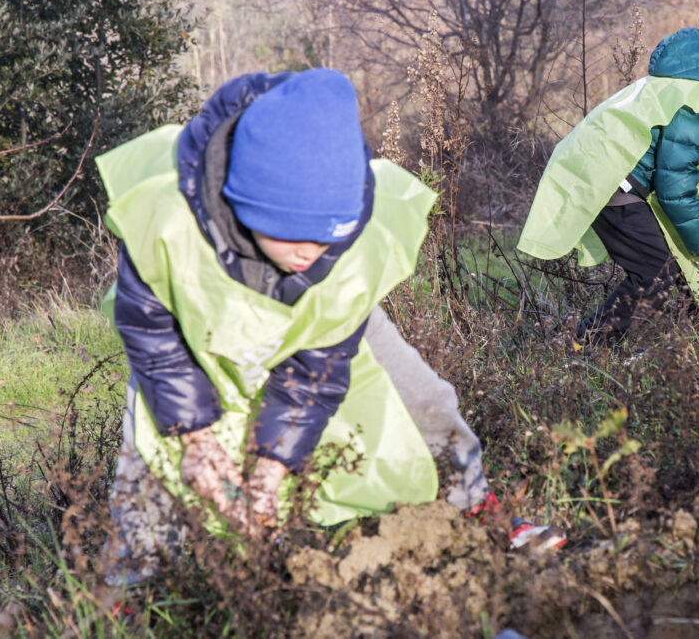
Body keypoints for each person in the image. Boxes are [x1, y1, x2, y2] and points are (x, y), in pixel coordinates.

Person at [98, 69, 563, 585]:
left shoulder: (349, 246)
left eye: (328, 242)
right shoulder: (168, 220)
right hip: (189, 335)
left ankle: (476, 505)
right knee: (150, 454)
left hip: (321, 321)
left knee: (425, 400)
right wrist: (197, 438)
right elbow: (154, 341)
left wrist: (273, 467)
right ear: (242, 201)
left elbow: (315, 371)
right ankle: (129, 585)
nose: (310, 254)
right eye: (294, 237)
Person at [517, 0, 699, 346]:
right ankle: (584, 344)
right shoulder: (697, 102)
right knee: (656, 273)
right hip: (610, 178)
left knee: (679, 257)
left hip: (617, 177)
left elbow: (679, 189)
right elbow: (674, 193)